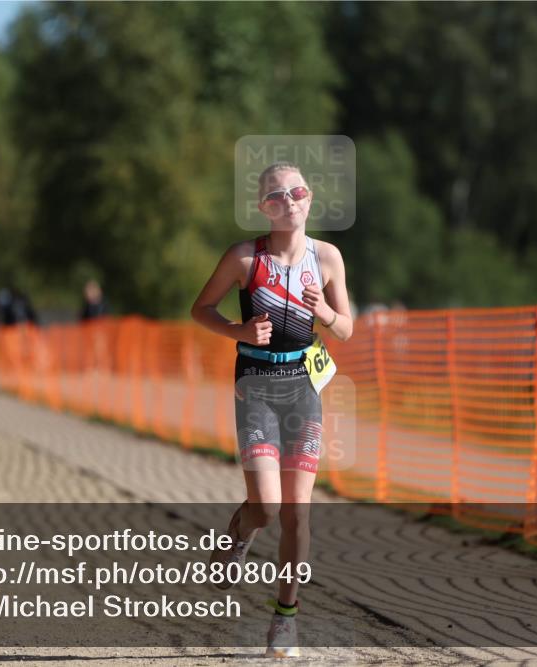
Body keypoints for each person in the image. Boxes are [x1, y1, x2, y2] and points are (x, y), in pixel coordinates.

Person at [190, 161, 353, 657]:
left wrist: (324, 313)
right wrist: (239, 332)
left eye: (298, 192)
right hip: (257, 386)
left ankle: (285, 619)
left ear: (309, 200)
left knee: (296, 513)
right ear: (264, 207)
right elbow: (201, 309)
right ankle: (237, 536)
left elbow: (346, 327)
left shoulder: (327, 258)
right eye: (278, 196)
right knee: (266, 505)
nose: (291, 201)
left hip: (303, 386)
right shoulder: (244, 258)